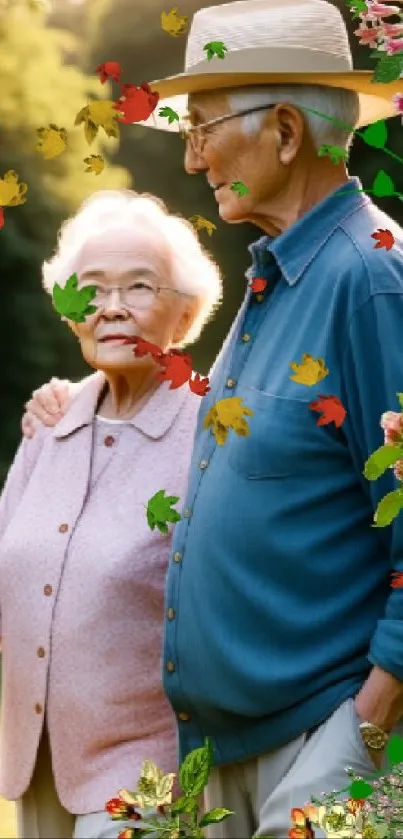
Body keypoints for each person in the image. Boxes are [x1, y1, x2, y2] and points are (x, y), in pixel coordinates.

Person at [21, 0, 403, 836]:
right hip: (231, 751)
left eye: (203, 127)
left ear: (287, 133)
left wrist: (364, 733)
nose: (190, 158)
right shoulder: (274, 281)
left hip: (321, 743)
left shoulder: (368, 280)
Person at [0, 188, 222, 839]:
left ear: (183, 315)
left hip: (151, 777)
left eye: (139, 287)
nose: (112, 308)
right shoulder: (50, 422)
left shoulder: (213, 437)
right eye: (91, 289)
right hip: (34, 764)